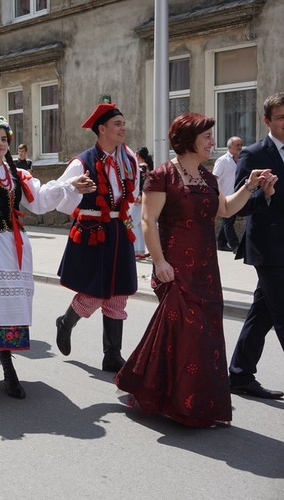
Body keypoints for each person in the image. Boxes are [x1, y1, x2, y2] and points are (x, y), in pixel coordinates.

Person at [115, 113, 275, 427]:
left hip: (206, 269)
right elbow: (148, 221)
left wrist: (251, 186)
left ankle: (189, 398)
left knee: (204, 333)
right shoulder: (162, 175)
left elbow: (226, 208)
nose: (212, 142)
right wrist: (159, 262)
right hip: (175, 267)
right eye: (207, 137)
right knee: (185, 331)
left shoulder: (208, 178)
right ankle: (178, 402)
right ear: (190, 139)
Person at [0, 113, 94, 398]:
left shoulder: (17, 175)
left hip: (16, 247)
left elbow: (39, 202)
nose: (0, 144)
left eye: (4, 140)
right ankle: (9, 370)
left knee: (12, 305)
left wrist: (70, 185)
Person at [54, 103, 140, 372]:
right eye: (117, 124)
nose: (122, 128)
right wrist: (83, 204)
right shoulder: (82, 162)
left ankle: (112, 354)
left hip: (118, 230)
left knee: (118, 294)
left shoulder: (129, 159)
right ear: (101, 129)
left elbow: (133, 193)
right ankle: (66, 322)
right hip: (94, 231)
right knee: (93, 291)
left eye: (123, 123)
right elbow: (61, 198)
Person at [228, 92, 284, 400]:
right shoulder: (253, 154)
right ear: (267, 121)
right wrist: (264, 194)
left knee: (262, 311)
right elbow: (239, 206)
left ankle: (239, 374)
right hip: (269, 247)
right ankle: (239, 375)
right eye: (281, 118)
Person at [213, 136, 243, 253]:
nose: (240, 148)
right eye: (237, 145)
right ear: (229, 147)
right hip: (224, 196)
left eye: (241, 145)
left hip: (235, 196)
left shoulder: (240, 160)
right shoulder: (222, 160)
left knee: (229, 220)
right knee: (228, 221)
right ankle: (236, 246)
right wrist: (217, 195)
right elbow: (214, 178)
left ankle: (221, 243)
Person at [132, 146, 154, 259]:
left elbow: (139, 184)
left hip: (139, 198)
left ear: (138, 155)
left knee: (132, 223)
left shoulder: (141, 168)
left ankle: (137, 249)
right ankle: (140, 250)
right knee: (139, 225)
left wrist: (138, 195)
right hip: (145, 198)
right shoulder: (148, 167)